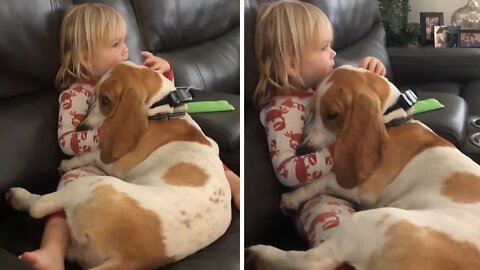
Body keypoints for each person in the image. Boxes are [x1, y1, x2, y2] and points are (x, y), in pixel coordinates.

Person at [19, 3, 240, 270]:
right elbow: (71, 139)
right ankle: (50, 247)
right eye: (115, 44)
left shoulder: (127, 78)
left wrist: (166, 69)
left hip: (136, 202)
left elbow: (155, 94)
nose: (126, 50)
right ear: (87, 58)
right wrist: (106, 134)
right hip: (122, 197)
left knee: (205, 146)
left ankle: (37, 206)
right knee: (71, 181)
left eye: (124, 42)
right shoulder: (76, 94)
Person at [253, 2, 386, 270]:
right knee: (340, 239)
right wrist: (338, 152)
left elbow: (354, 99)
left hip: (353, 185)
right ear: (291, 64)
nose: (334, 53)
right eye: (324, 47)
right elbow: (287, 171)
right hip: (316, 201)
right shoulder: (284, 110)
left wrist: (366, 71)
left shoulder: (320, 89)